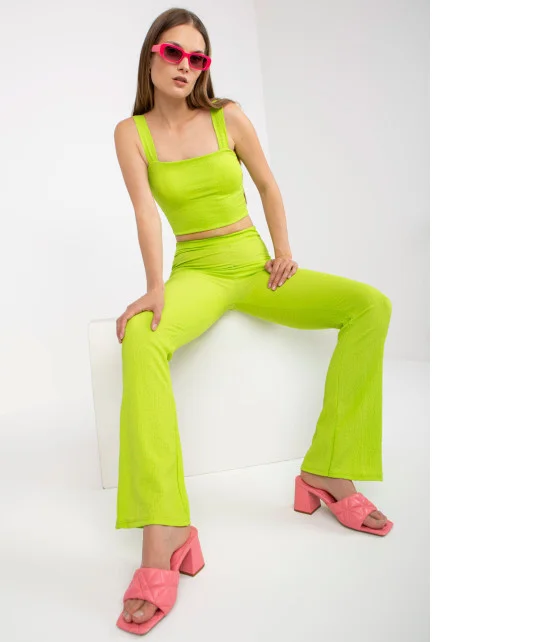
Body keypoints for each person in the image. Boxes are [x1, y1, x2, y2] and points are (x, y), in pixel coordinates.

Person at [112, 8, 393, 635]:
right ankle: (165, 531)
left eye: (198, 58)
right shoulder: (132, 134)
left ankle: (328, 468)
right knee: (140, 342)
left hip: (254, 265)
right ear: (152, 55)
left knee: (370, 305)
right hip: (196, 273)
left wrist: (283, 250)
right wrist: (155, 289)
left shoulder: (227, 116)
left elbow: (267, 185)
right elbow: (145, 213)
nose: (186, 66)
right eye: (174, 53)